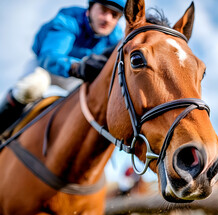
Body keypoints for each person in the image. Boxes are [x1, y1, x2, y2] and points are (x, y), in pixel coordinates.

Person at [0, 0, 125, 134]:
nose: (107, 19)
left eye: (114, 15)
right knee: (33, 86)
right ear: (90, 8)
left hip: (76, 78)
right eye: (103, 10)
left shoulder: (115, 38)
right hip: (46, 69)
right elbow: (50, 57)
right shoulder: (69, 19)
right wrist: (76, 67)